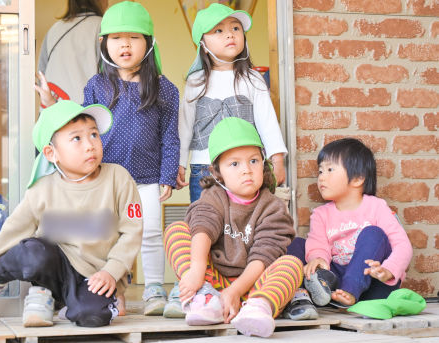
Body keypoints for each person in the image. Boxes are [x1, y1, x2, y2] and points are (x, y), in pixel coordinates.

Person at [36, 1, 180, 317]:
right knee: (108, 239)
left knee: (151, 232)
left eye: (134, 37)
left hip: (148, 178)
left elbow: (170, 136)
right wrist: (51, 104)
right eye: (115, 38)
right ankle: (115, 293)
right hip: (108, 179)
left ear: (149, 42)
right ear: (104, 44)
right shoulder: (97, 85)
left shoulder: (165, 89)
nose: (124, 45)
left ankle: (155, 287)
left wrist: (168, 175)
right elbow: (80, 125)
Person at [0, 100, 143, 328]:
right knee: (31, 250)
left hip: (96, 275)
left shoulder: (118, 178)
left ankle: (60, 302)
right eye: (77, 139)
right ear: (51, 153)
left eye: (94, 135)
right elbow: (10, 232)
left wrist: (112, 272)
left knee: (92, 316)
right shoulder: (41, 190)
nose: (90, 145)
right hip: (55, 266)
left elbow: (132, 232)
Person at [164, 117, 303, 338]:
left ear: (264, 163)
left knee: (292, 264)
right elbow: (202, 227)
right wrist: (198, 271)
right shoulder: (213, 197)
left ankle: (258, 308)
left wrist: (235, 291)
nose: (246, 170)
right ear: (217, 172)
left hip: (253, 283)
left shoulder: (273, 206)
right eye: (235, 164)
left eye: (254, 161)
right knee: (176, 231)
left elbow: (264, 255)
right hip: (213, 280)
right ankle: (205, 300)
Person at [286, 138, 413, 313]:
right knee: (296, 245)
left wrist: (388, 270)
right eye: (320, 171)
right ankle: (313, 291)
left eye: (330, 169)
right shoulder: (321, 214)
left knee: (373, 234)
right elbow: (318, 244)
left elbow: (402, 245)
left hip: (373, 283)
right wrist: (319, 259)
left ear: (358, 178)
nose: (322, 177)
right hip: (336, 282)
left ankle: (350, 291)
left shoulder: (376, 207)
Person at [177, 3, 287, 203]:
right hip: (205, 168)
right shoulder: (196, 82)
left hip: (247, 169)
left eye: (235, 28)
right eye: (218, 30)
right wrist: (180, 163)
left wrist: (277, 161)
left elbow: (267, 122)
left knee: (244, 225)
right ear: (202, 43)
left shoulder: (252, 79)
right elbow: (185, 126)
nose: (230, 35)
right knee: (206, 222)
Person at [37, 0, 107, 105]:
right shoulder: (102, 26)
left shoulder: (54, 29)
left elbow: (41, 77)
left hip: (52, 112)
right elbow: (111, 75)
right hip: (86, 114)